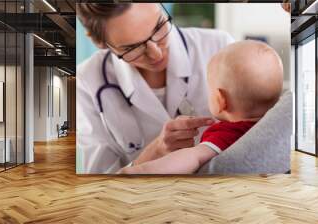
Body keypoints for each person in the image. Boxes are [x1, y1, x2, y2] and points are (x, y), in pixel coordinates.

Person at [76, 3, 234, 173]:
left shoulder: (219, 46)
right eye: (132, 47)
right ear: (99, 41)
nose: (156, 53)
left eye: (158, 27)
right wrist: (155, 152)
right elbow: (99, 185)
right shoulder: (86, 81)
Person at [118, 40, 284, 174]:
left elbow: (191, 158)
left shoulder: (228, 134)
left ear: (220, 100)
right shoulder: (277, 125)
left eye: (209, 88)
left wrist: (138, 171)